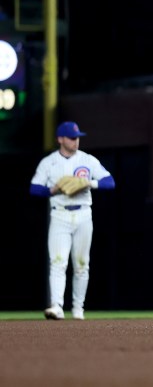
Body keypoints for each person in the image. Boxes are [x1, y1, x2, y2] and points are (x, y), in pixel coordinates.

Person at [30, 121, 116, 320]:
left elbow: (109, 182)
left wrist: (88, 182)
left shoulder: (87, 160)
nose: (76, 141)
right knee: (58, 262)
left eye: (77, 137)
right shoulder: (49, 162)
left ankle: (78, 309)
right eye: (71, 137)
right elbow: (34, 188)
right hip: (59, 213)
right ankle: (57, 306)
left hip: (84, 214)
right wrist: (53, 190)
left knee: (81, 264)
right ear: (60, 139)